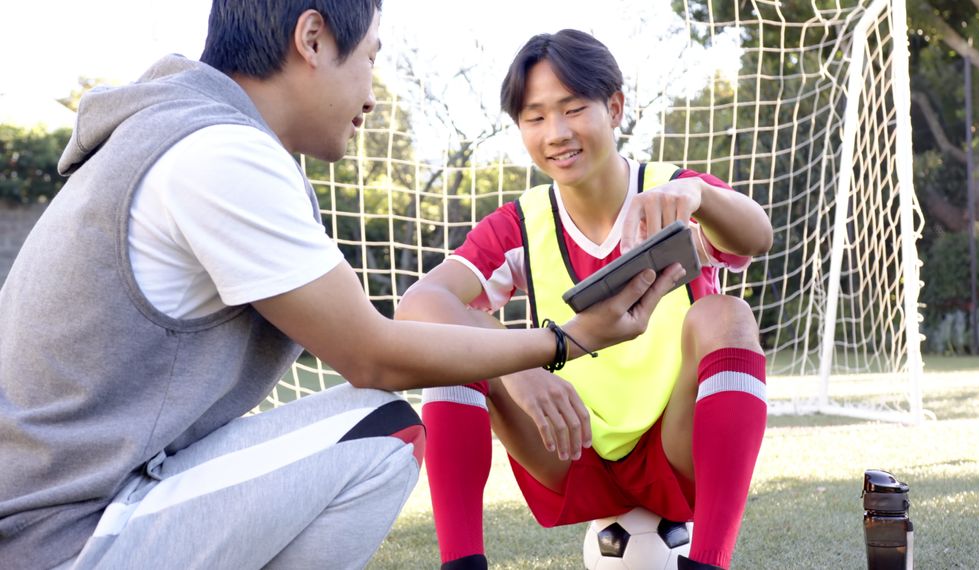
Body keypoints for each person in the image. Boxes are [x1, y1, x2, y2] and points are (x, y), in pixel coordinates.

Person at [0, 5, 683, 569]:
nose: (372, 92)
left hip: (69, 510)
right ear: (313, 38)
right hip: (63, 538)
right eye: (371, 58)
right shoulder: (215, 152)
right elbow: (374, 355)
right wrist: (561, 344)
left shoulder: (185, 133)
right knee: (381, 428)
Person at [396, 29, 774, 570]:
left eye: (573, 109)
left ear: (614, 107)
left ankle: (709, 563)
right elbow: (418, 305)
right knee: (453, 345)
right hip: (567, 447)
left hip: (676, 451)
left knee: (728, 314)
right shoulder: (519, 225)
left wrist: (701, 195)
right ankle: (461, 564)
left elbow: (757, 237)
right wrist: (519, 368)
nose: (556, 133)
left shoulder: (671, 193)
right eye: (535, 117)